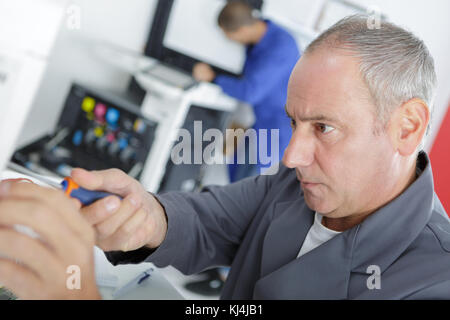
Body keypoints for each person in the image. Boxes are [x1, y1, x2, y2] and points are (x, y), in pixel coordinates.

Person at [1, 14, 450, 299]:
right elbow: (206, 219)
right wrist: (142, 215)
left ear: (406, 127)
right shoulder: (290, 188)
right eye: (294, 123)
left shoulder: (434, 280)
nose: (292, 156)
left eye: (324, 128)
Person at [192, 0, 300, 182]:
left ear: (241, 31)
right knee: (235, 174)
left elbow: (251, 92)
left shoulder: (281, 46)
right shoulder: (259, 39)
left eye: (229, 36)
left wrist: (213, 78)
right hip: (261, 124)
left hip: (278, 131)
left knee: (247, 188)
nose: (230, 42)